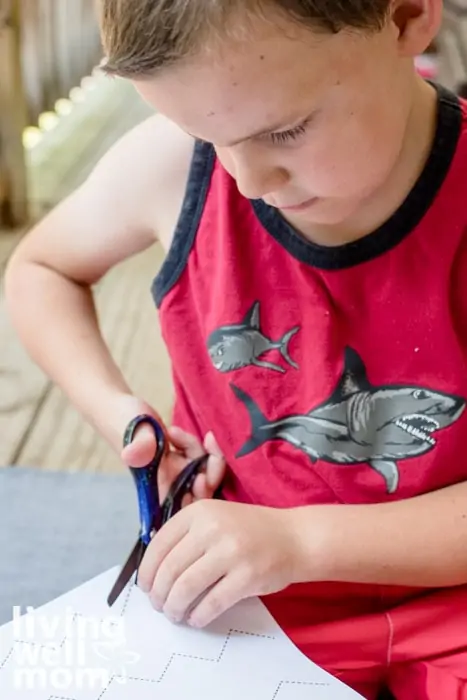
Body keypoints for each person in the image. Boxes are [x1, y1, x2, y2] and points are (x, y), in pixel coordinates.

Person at [5, 1, 467, 697]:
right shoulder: (170, 168)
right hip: (245, 603)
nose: (249, 183)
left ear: (405, 18)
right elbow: (43, 270)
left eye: (285, 131)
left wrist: (302, 544)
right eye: (204, 135)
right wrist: (122, 417)